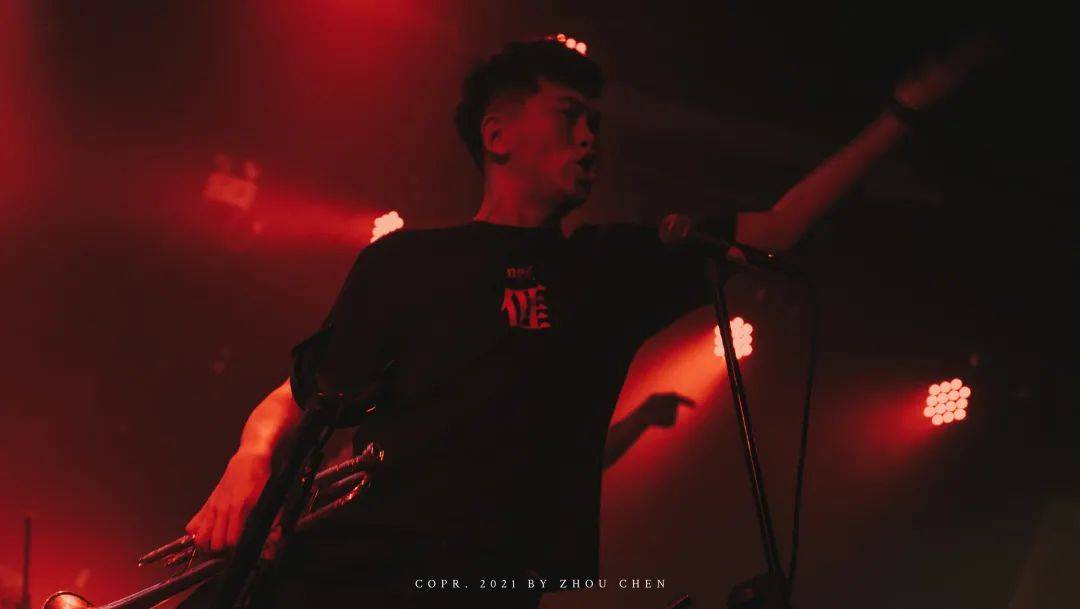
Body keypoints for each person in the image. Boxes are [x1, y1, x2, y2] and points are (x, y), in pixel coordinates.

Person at [181, 36, 988, 608]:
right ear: (497, 134)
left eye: (594, 120)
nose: (590, 134)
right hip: (342, 576)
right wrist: (246, 465)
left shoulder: (611, 268)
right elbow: (297, 396)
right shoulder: (406, 262)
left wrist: (900, 115)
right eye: (570, 113)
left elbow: (779, 226)